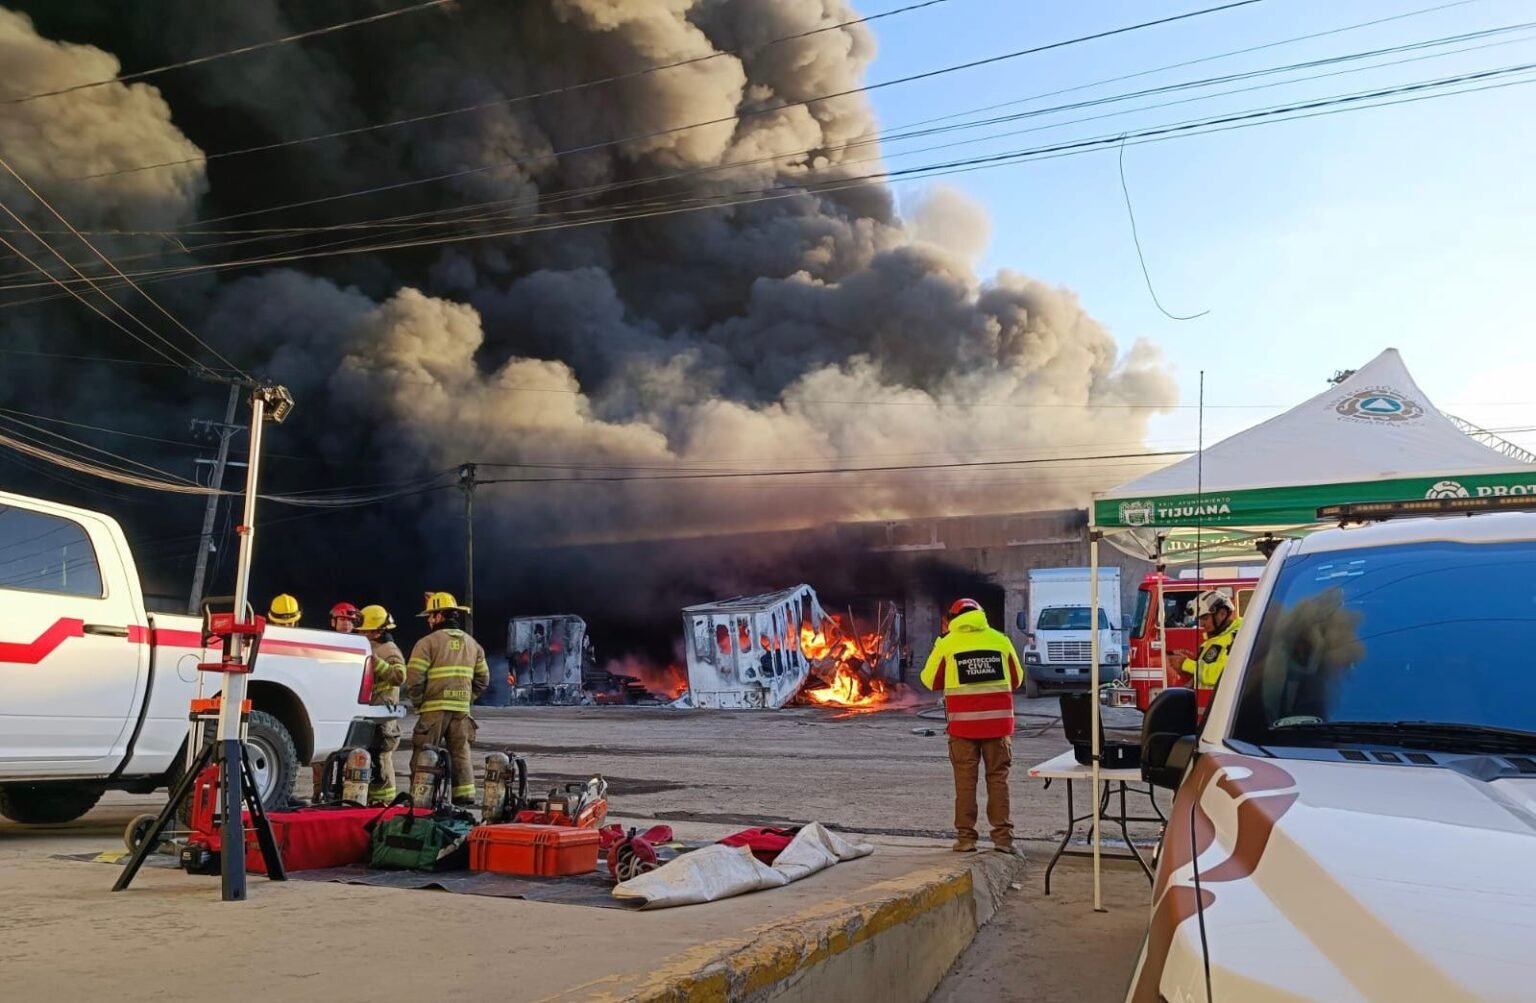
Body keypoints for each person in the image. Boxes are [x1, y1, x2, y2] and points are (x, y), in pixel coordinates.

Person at [919, 598, 1024, 855]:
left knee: (965, 783)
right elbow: (1018, 679)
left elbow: (929, 680)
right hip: (998, 727)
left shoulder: (947, 644)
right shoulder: (1001, 640)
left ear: (951, 618)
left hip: (963, 729)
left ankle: (966, 839)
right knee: (998, 780)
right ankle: (1003, 839)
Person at [406, 592, 490, 806]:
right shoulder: (473, 644)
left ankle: (420, 796)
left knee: (424, 752)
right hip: (461, 711)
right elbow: (483, 678)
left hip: (433, 709)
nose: (428, 620)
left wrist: (418, 702)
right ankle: (464, 796)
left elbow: (414, 679)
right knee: (461, 753)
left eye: (431, 615)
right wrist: (468, 698)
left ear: (439, 616)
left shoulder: (426, 643)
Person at [312, 600, 363, 799]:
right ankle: (319, 794)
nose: (346, 624)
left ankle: (343, 796)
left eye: (350, 621)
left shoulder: (360, 645)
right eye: (342, 619)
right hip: (325, 703)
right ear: (333, 621)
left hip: (349, 705)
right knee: (322, 754)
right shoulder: (324, 642)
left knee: (348, 753)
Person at [357, 605, 406, 802]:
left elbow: (400, 676)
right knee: (372, 759)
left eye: (364, 630)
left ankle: (385, 803)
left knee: (382, 758)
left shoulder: (389, 650)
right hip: (372, 712)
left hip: (383, 714)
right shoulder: (375, 646)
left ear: (376, 630)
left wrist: (377, 662)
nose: (361, 633)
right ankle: (373, 801)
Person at [1170, 590, 1242, 689]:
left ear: (1222, 614)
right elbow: (1202, 672)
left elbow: (1221, 675)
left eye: (1205, 618)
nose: (1201, 624)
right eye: (1199, 619)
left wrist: (1185, 664)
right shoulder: (1216, 638)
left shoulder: (1237, 638)